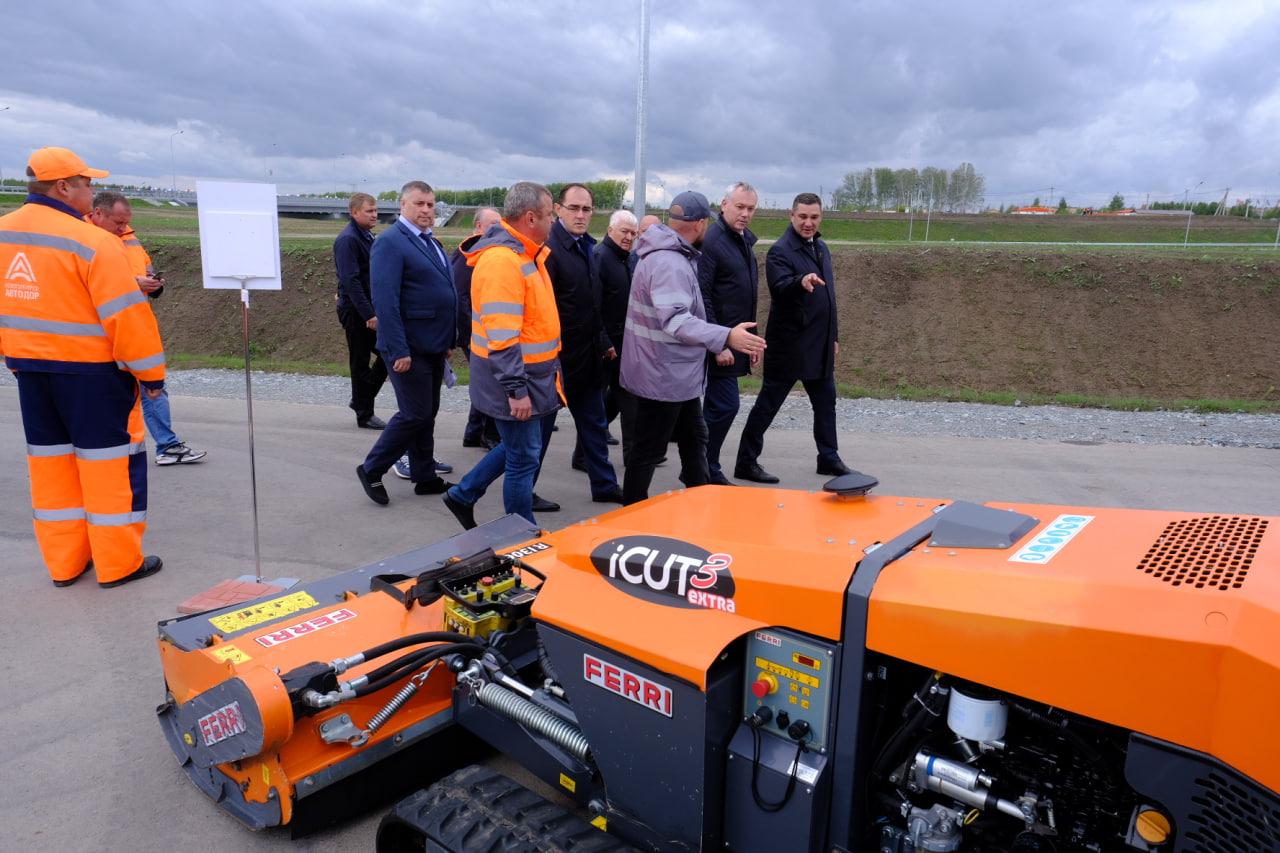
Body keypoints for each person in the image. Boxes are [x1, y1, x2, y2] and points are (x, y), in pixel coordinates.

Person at [0, 147, 165, 587]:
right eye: (87, 183)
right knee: (108, 469)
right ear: (63, 187)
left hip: (30, 373)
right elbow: (126, 316)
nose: (92, 191)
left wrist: (12, 355)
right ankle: (118, 565)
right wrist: (151, 376)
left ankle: (66, 564)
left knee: (52, 470)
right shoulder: (93, 242)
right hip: (93, 377)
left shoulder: (3, 232)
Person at [620, 191, 765, 505]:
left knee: (695, 441)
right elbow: (676, 321)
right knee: (647, 451)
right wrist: (726, 337)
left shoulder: (671, 255)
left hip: (674, 375)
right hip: (662, 375)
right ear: (700, 224)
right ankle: (627, 519)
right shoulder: (669, 263)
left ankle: (700, 505)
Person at [442, 182, 565, 528]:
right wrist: (517, 390)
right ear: (530, 218)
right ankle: (519, 532)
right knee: (524, 458)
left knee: (519, 449)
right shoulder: (502, 261)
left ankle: (463, 494)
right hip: (514, 380)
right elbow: (502, 337)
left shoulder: (524, 253)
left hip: (532, 376)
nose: (552, 223)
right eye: (549, 216)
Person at [735, 193, 851, 481]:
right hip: (789, 346)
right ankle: (745, 462)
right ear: (792, 216)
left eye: (814, 217)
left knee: (826, 403)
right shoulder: (780, 251)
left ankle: (828, 457)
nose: (808, 223)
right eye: (803, 217)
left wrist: (833, 336)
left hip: (819, 344)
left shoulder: (821, 248)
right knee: (768, 405)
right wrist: (801, 281)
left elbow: (830, 299)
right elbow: (780, 287)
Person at [355, 181, 456, 505]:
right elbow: (386, 301)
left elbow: (444, 293)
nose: (427, 210)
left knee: (428, 413)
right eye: (419, 204)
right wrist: (398, 350)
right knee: (414, 414)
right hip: (408, 348)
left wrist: (448, 339)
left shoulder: (432, 242)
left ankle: (424, 475)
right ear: (402, 205)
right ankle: (372, 468)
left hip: (433, 345)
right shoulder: (390, 243)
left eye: (431, 204)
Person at [87, 191, 206, 467]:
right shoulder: (84, 238)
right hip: (101, 333)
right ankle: (111, 452)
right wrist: (133, 283)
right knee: (112, 396)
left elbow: (147, 270)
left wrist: (155, 284)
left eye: (126, 222)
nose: (123, 228)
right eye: (118, 222)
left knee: (153, 386)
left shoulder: (129, 237)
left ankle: (167, 446)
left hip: (136, 325)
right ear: (97, 214)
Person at [544, 184, 622, 505]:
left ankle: (604, 486)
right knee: (537, 434)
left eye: (586, 209)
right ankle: (478, 492)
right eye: (574, 208)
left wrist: (602, 340)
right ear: (558, 210)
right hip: (557, 361)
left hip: (588, 357)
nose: (580, 215)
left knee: (594, 423)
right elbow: (544, 308)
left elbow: (592, 303)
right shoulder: (549, 250)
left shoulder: (587, 247)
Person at [698, 181, 760, 484]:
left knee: (716, 406)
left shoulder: (742, 240)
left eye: (750, 208)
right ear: (724, 205)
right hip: (718, 341)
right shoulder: (713, 241)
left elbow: (746, 296)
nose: (745, 213)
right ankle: (703, 467)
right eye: (740, 207)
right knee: (725, 405)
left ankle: (701, 466)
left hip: (734, 340)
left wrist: (752, 343)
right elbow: (703, 295)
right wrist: (717, 343)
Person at [334, 192, 387, 430]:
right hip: (358, 311)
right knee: (361, 360)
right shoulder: (348, 239)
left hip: (367, 307)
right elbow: (351, 280)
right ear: (354, 212)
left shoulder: (366, 235)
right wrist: (369, 314)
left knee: (388, 353)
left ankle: (360, 401)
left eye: (376, 211)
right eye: (369, 211)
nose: (375, 215)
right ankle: (364, 413)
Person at [450, 207, 502, 451]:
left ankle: (473, 433)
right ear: (478, 227)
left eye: (500, 224)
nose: (498, 228)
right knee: (493, 381)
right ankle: (488, 435)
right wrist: (470, 335)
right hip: (475, 333)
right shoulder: (469, 254)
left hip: (480, 331)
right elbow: (460, 297)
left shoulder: (488, 250)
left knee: (485, 381)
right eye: (492, 224)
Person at [593, 209, 638, 461]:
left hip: (624, 344)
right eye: (624, 231)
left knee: (628, 401)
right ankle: (583, 456)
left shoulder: (626, 259)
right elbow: (593, 305)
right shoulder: (600, 257)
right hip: (605, 347)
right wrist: (604, 341)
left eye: (633, 233)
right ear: (610, 230)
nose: (629, 237)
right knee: (596, 404)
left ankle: (633, 455)